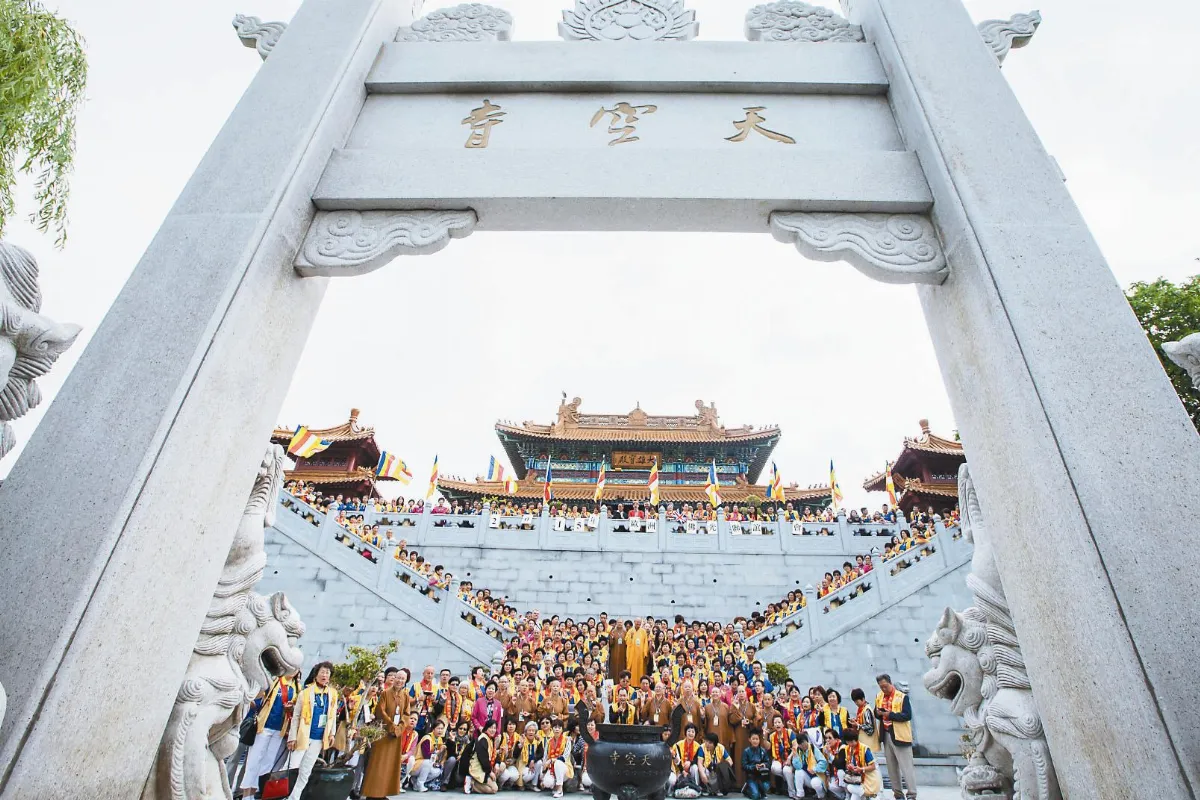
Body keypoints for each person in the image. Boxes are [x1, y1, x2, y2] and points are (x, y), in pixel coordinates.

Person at [238, 670, 298, 798]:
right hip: (264, 726)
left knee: (268, 763)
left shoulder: (296, 687)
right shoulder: (274, 681)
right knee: (253, 761)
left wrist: (291, 708)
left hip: (279, 730)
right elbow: (258, 697)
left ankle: (258, 793)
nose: (293, 670)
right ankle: (246, 795)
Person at [285, 662, 339, 800]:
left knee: (306, 770)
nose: (325, 675)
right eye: (322, 672)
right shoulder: (305, 693)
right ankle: (282, 794)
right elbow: (296, 717)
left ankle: (294, 797)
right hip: (303, 736)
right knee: (292, 767)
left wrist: (332, 733)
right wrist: (292, 737)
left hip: (319, 738)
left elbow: (332, 716)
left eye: (327, 673)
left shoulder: (332, 694)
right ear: (316, 675)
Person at [363, 668, 413, 799]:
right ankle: (373, 793)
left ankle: (383, 793)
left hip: (396, 735)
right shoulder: (385, 693)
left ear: (405, 681)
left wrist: (400, 728)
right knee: (378, 764)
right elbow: (380, 711)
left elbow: (407, 714)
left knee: (390, 765)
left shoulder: (405, 696)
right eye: (398, 677)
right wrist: (392, 727)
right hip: (383, 733)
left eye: (403, 679)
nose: (400, 681)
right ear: (394, 678)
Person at [873, 675, 917, 800]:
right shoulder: (879, 696)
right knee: (892, 767)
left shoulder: (902, 697)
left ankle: (912, 794)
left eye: (885, 686)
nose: (884, 689)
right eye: (881, 687)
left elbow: (907, 715)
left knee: (906, 767)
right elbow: (876, 713)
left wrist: (890, 715)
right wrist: (879, 713)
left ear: (890, 683)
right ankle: (897, 793)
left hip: (901, 736)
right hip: (886, 734)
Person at [831, 732, 879, 800]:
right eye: (848, 742)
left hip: (867, 780)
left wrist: (861, 769)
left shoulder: (864, 749)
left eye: (852, 742)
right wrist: (850, 767)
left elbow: (873, 766)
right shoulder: (847, 749)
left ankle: (870, 796)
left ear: (856, 740)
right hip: (856, 780)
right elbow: (846, 764)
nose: (850, 744)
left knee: (850, 787)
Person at [468, 718, 502, 794]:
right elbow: (483, 759)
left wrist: (497, 764)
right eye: (491, 728)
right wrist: (490, 772)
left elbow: (494, 754)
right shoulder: (483, 739)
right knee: (494, 790)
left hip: (487, 766)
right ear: (486, 728)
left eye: (494, 728)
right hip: (479, 768)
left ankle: (489, 782)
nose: (493, 730)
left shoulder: (490, 738)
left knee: (501, 766)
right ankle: (473, 784)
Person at [413, 719, 447, 792]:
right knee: (427, 762)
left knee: (437, 771)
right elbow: (426, 756)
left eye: (442, 729)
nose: (440, 731)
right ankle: (420, 784)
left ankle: (415, 782)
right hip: (417, 764)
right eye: (438, 728)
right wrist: (439, 751)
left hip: (427, 765)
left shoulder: (439, 739)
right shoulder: (427, 738)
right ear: (433, 729)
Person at [542, 718, 573, 798]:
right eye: (555, 727)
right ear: (552, 729)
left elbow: (565, 757)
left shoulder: (567, 740)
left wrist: (552, 760)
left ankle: (560, 790)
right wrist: (543, 772)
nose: (557, 729)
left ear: (562, 729)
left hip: (564, 769)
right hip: (551, 768)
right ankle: (555, 786)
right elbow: (545, 757)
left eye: (559, 727)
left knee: (558, 763)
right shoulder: (549, 741)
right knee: (547, 782)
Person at [698, 732, 736, 796]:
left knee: (723, 768)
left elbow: (730, 761)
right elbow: (699, 763)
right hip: (706, 770)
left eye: (710, 743)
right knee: (699, 769)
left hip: (716, 770)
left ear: (715, 744)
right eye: (706, 741)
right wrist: (702, 774)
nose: (707, 744)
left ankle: (719, 789)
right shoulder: (702, 747)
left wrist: (722, 768)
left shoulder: (721, 747)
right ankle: (705, 789)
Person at [790, 735, 828, 800]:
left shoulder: (813, 748)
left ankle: (821, 795)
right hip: (808, 777)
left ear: (807, 741)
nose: (803, 745)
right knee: (798, 772)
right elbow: (798, 767)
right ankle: (800, 795)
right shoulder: (798, 750)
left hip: (817, 776)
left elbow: (823, 762)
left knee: (815, 782)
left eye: (804, 743)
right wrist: (795, 756)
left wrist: (815, 769)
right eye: (801, 744)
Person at [670, 724, 702, 795]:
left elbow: (698, 760)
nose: (691, 733)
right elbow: (675, 760)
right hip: (679, 769)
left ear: (695, 734)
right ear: (685, 732)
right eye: (689, 731)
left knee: (695, 768)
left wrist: (690, 762)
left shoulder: (698, 746)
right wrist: (682, 771)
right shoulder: (678, 745)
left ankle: (696, 787)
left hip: (691, 769)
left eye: (693, 732)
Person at [741, 729, 771, 800]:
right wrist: (754, 767)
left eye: (757, 739)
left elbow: (768, 763)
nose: (755, 741)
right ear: (749, 740)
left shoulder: (763, 751)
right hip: (751, 777)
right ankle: (746, 789)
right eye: (753, 739)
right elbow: (744, 766)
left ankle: (760, 791)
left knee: (766, 786)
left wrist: (764, 765)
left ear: (759, 740)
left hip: (762, 777)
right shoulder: (746, 751)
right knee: (755, 796)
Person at [517, 720, 545, 789]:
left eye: (533, 731)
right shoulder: (521, 739)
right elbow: (515, 754)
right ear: (526, 732)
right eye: (529, 730)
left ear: (535, 732)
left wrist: (533, 760)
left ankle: (534, 785)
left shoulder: (538, 741)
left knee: (539, 763)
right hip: (523, 765)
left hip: (532, 764)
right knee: (528, 775)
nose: (531, 732)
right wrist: (520, 746)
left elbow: (541, 754)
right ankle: (525, 784)